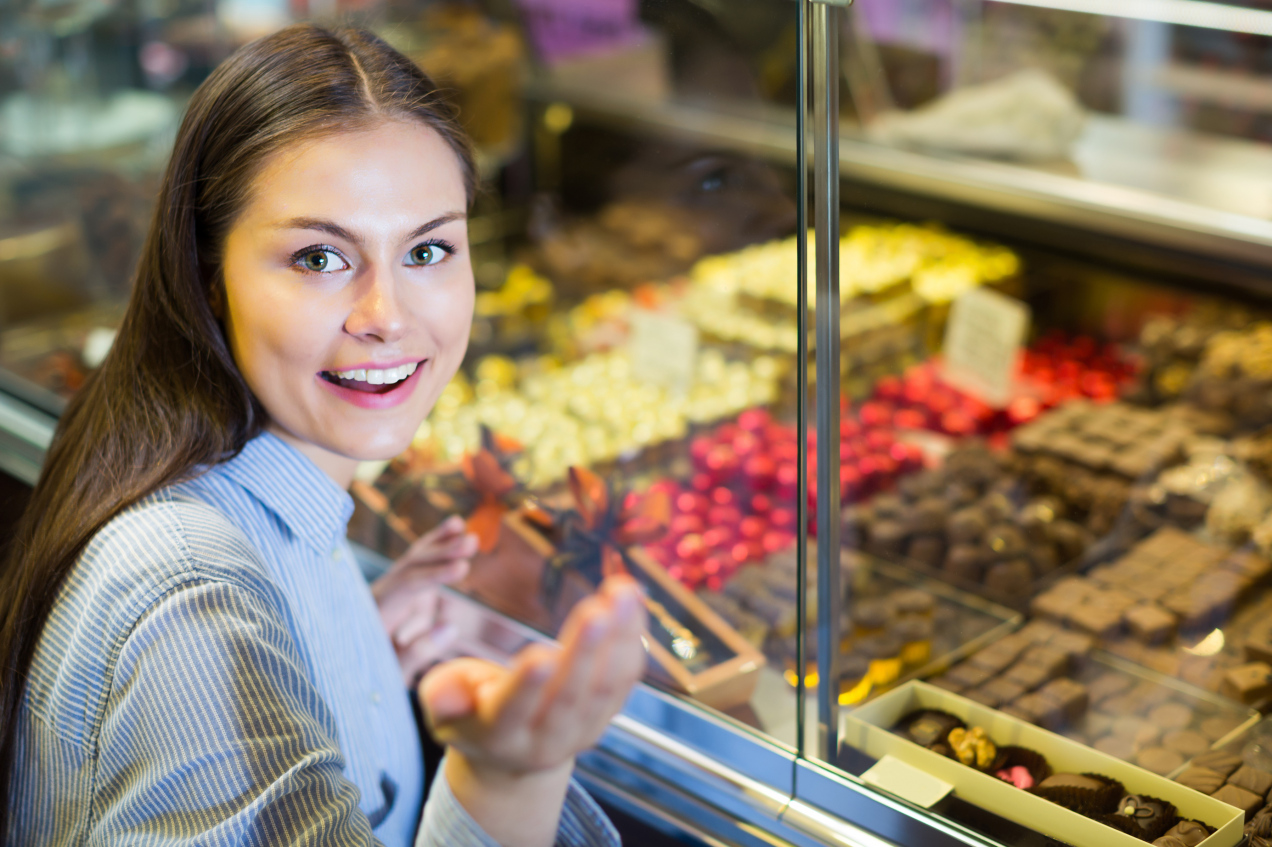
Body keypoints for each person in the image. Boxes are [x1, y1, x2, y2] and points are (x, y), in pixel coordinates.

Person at [0, 24, 646, 847]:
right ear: (207, 278)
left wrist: (339, 654)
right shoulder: (191, 599)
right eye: (318, 259)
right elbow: (194, 651)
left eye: (428, 248)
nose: (387, 316)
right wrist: (509, 779)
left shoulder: (267, 495)